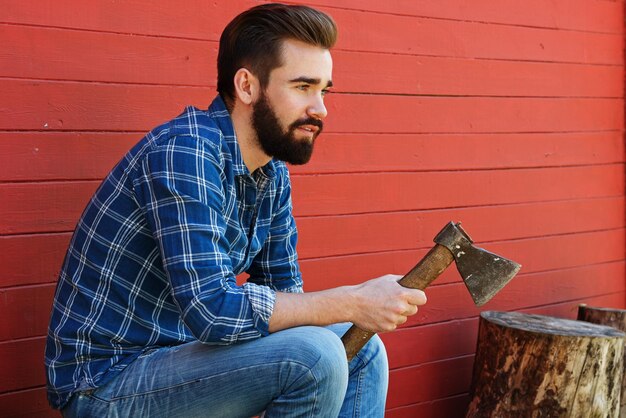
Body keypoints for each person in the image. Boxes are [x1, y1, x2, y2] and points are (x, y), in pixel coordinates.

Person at [45, 3, 427, 417]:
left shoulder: (271, 174)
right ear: (246, 86)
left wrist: (352, 313)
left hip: (187, 363)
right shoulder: (184, 152)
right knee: (314, 353)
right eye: (303, 87)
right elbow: (212, 310)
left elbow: (288, 296)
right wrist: (353, 301)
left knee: (361, 348)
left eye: (324, 89)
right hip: (105, 385)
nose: (321, 108)